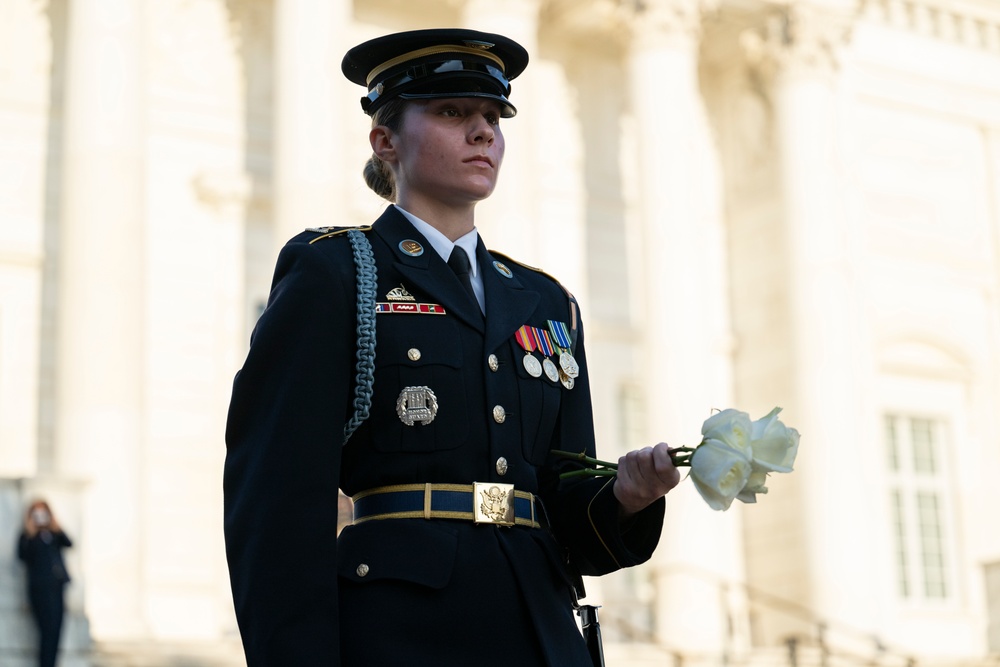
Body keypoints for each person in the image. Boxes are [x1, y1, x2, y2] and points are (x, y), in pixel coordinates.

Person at [224, 28, 681, 666]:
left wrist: (628, 496)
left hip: (539, 632)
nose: (482, 132)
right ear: (386, 140)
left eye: (493, 116)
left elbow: (570, 522)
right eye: (450, 112)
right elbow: (275, 502)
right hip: (400, 635)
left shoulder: (543, 303)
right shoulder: (338, 274)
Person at [17, 499, 72, 667]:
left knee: (56, 630)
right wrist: (30, 532)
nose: (41, 518)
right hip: (40, 590)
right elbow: (22, 555)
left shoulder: (54, 534)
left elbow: (69, 543)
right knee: (46, 631)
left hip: (57, 588)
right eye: (37, 514)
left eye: (44, 514)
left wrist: (55, 525)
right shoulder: (28, 536)